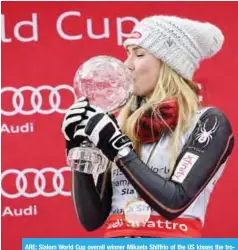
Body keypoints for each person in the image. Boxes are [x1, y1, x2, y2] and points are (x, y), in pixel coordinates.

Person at [61, 15, 235, 238]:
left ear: (170, 64)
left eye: (139, 54)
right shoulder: (119, 125)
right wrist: (79, 148)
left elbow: (174, 203)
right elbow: (92, 219)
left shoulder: (207, 122)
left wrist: (120, 149)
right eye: (127, 54)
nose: (127, 65)